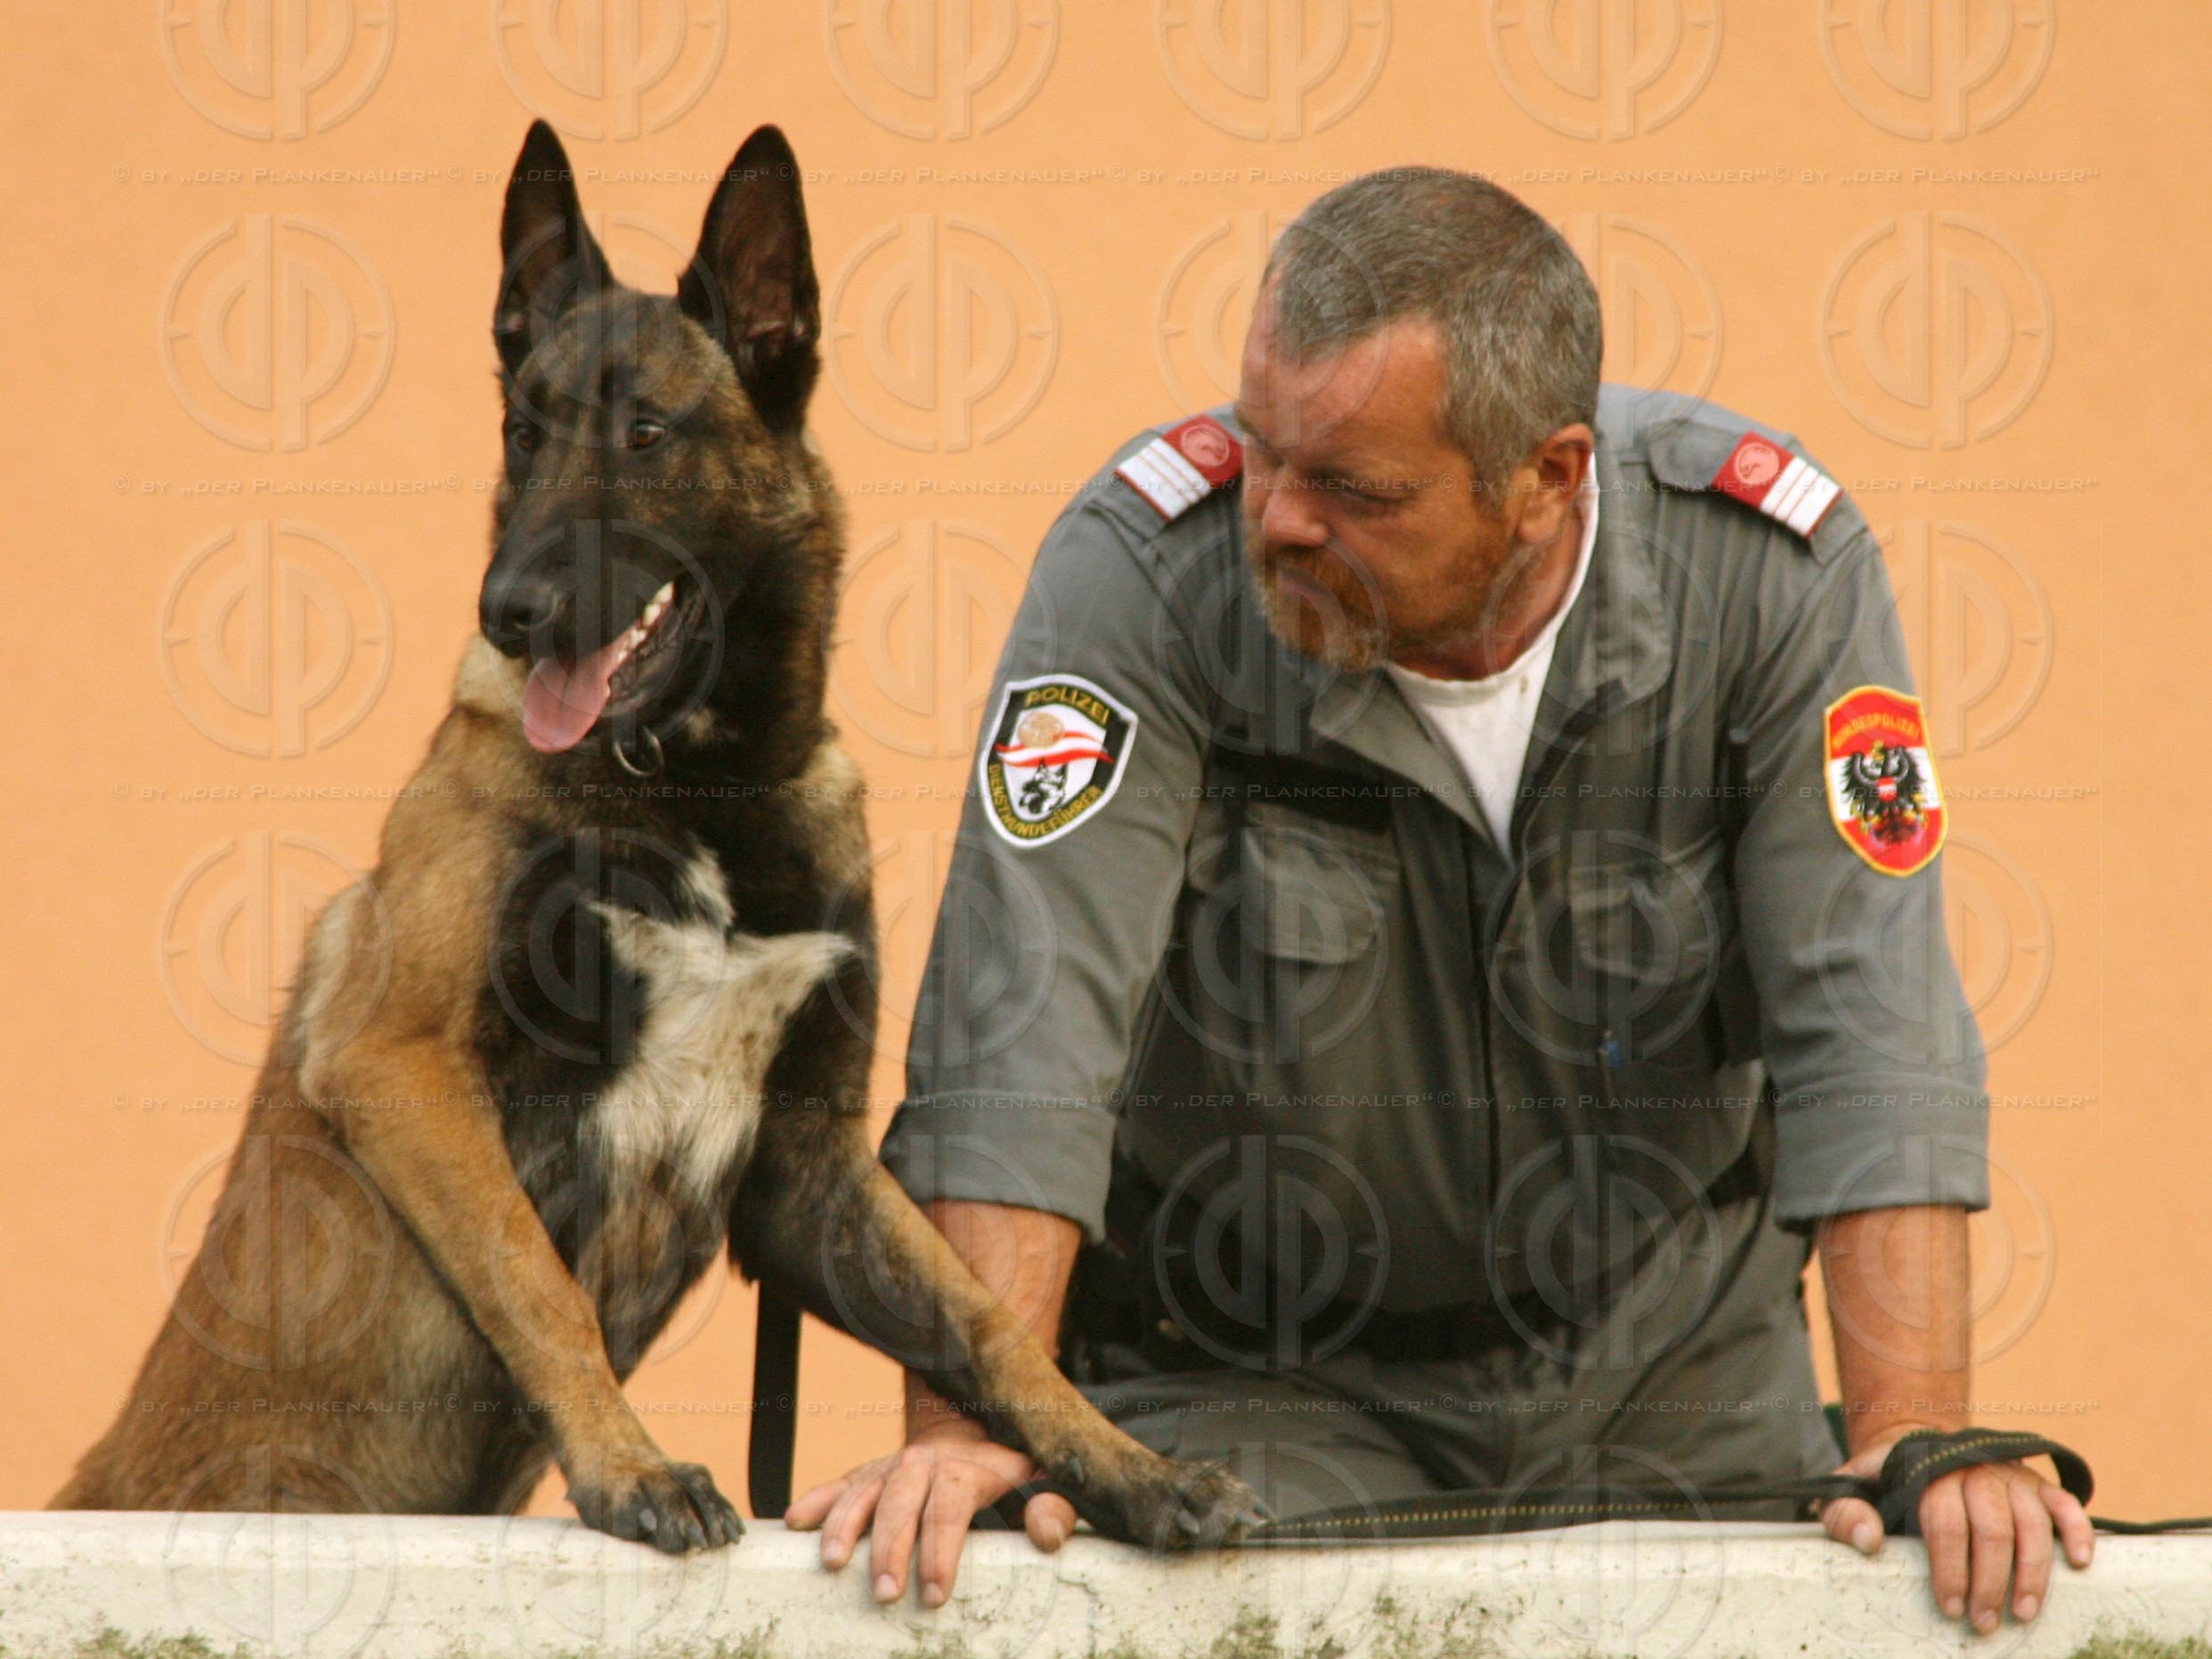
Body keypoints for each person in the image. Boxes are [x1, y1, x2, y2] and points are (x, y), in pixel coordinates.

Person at [785, 165, 2094, 1632]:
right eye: (1262, 446)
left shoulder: (1769, 579)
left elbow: (1875, 1027)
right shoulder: (1145, 574)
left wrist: (1916, 1445)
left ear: (1548, 478)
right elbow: (1026, 1034)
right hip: (1259, 1384)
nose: (1273, 518)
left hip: (1679, 1383)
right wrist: (973, 1434)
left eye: (1352, 487)